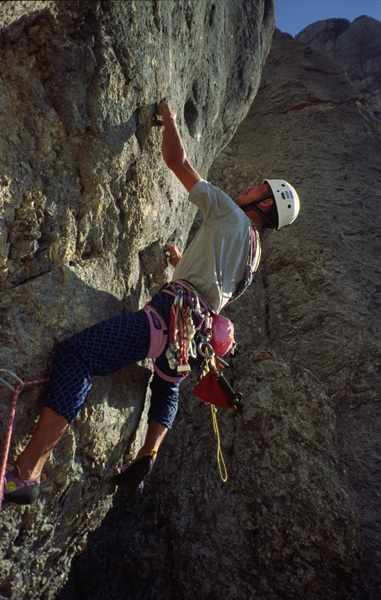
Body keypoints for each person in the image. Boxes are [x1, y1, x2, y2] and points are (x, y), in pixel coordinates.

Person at [2, 102, 300, 505]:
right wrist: (182, 263)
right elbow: (216, 286)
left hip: (166, 318)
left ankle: (27, 472)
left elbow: (177, 161)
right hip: (192, 337)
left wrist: (171, 121)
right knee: (166, 385)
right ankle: (148, 451)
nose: (248, 186)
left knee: (77, 357)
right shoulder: (254, 255)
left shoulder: (230, 212)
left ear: (265, 203)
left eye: (257, 187)